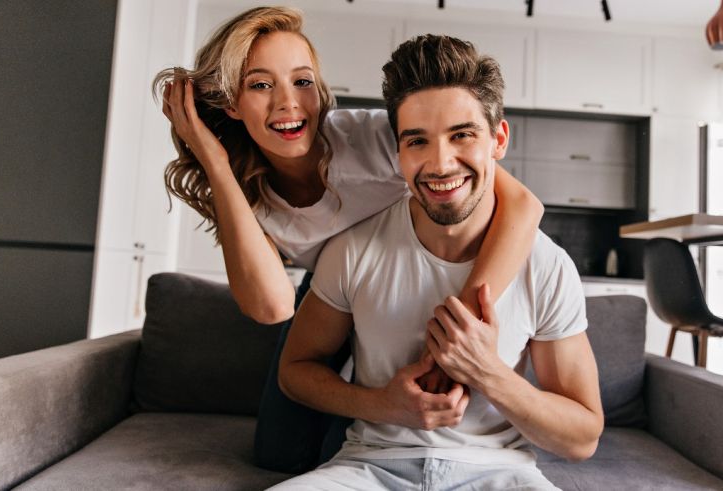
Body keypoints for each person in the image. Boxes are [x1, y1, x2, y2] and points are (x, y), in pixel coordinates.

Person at [155, 7, 543, 472]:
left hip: (405, 280)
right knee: (279, 453)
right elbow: (274, 307)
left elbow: (524, 205)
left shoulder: (373, 136)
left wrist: (457, 329)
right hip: (327, 292)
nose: (288, 104)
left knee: (347, 448)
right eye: (260, 85)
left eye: (302, 81)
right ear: (231, 105)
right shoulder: (244, 191)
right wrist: (213, 160)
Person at [275, 34, 604, 490]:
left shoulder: (546, 267)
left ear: (498, 139)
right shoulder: (354, 249)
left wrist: (486, 372)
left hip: (498, 473)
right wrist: (383, 405)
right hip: (371, 469)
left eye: (462, 135)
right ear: (398, 153)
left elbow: (582, 438)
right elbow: (295, 372)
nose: (440, 163)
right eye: (418, 141)